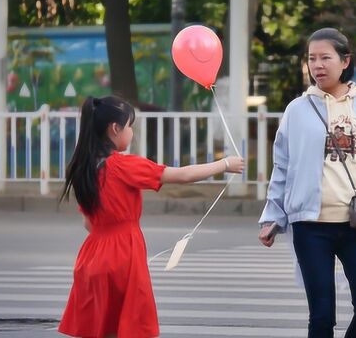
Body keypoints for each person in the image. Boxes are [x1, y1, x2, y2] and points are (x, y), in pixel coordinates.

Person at [257, 28, 356, 338]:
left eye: (325, 57)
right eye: (311, 59)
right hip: (310, 226)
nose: (317, 65)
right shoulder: (297, 110)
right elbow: (283, 168)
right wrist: (273, 217)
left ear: (345, 61)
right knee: (321, 317)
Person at [58, 95, 244, 338]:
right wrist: (224, 164)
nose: (131, 132)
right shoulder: (124, 166)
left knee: (99, 328)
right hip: (124, 255)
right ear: (115, 129)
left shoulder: (83, 168)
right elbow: (181, 175)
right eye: (129, 126)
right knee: (129, 327)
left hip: (91, 258)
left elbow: (88, 223)